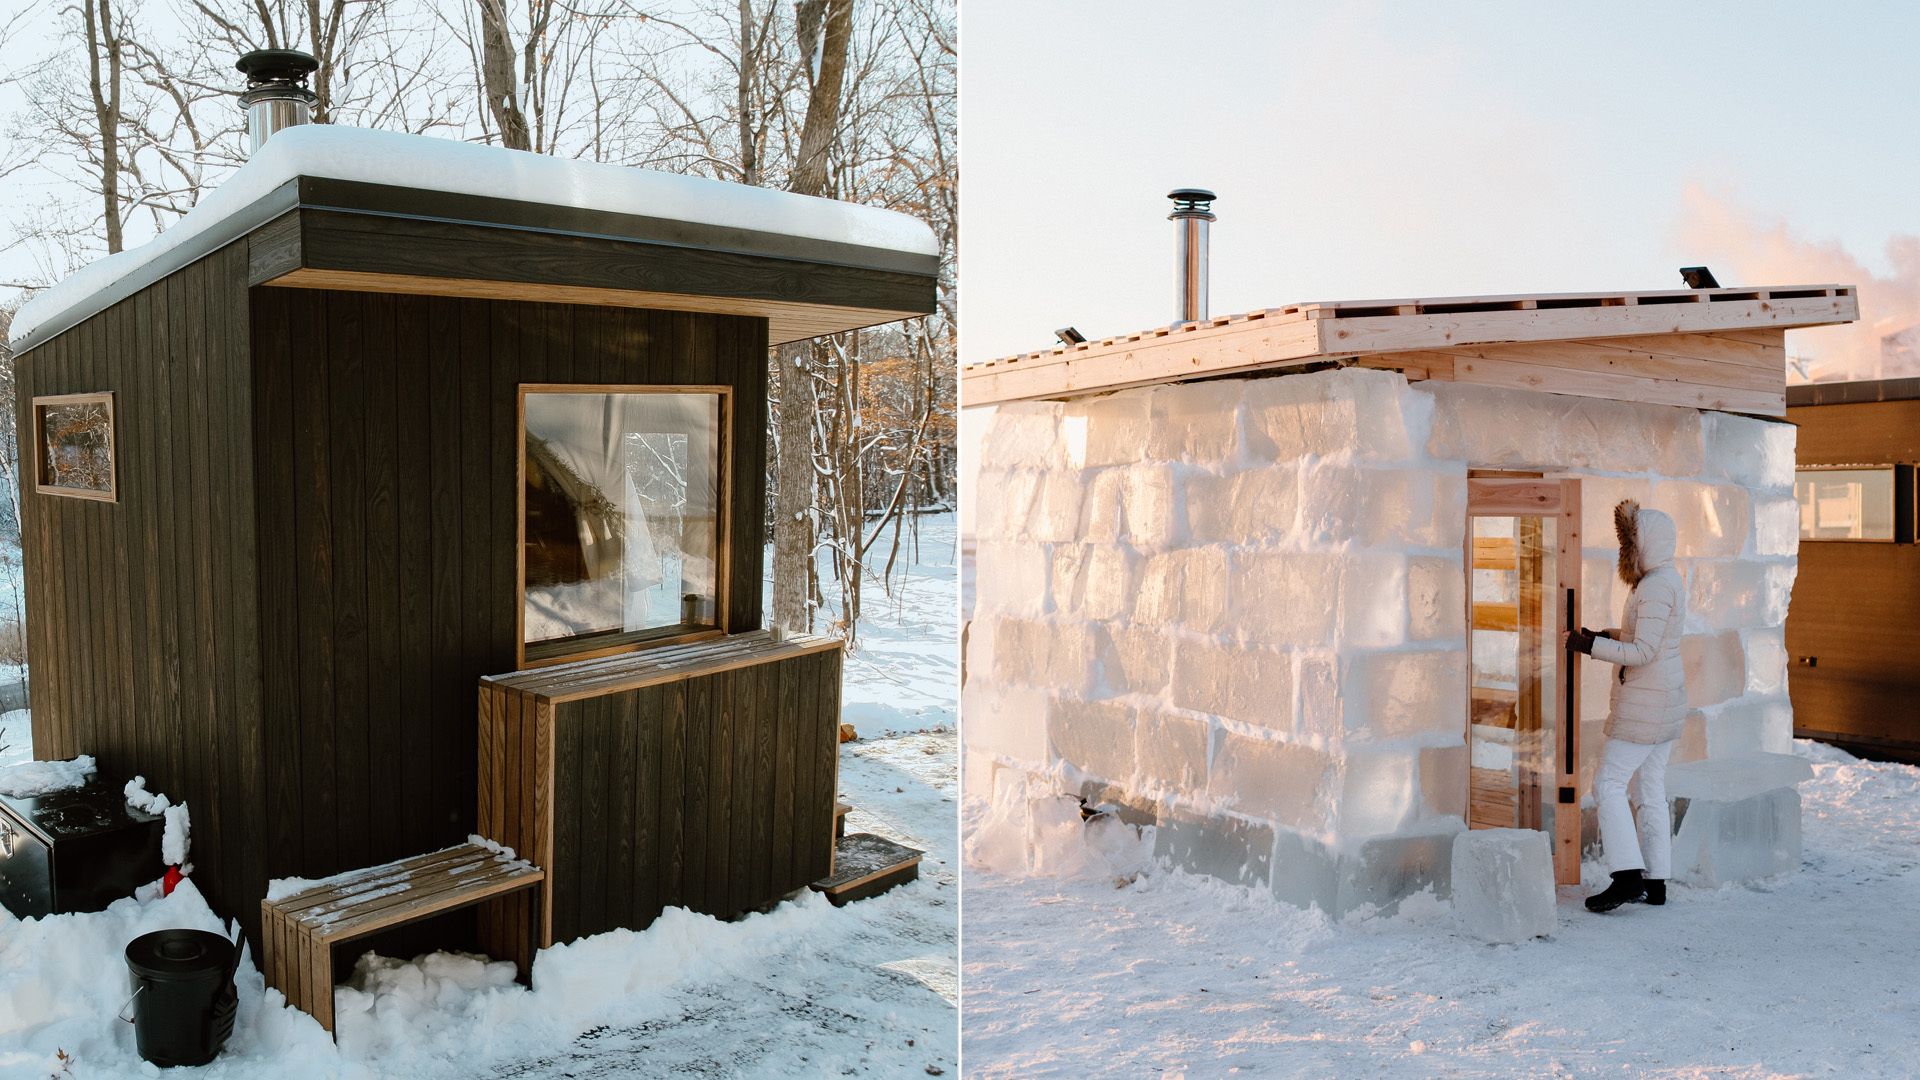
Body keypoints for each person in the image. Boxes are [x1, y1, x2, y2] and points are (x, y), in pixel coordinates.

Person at [1564, 500, 1688, 913]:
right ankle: (1655, 880)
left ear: (1646, 544)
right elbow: (1648, 636)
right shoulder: (1665, 580)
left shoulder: (1654, 586)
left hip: (1645, 705)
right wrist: (1604, 633)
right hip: (1663, 701)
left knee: (1609, 785)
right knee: (1648, 789)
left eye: (1631, 542)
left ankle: (1626, 876)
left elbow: (1644, 651)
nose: (1627, 549)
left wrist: (1590, 646)